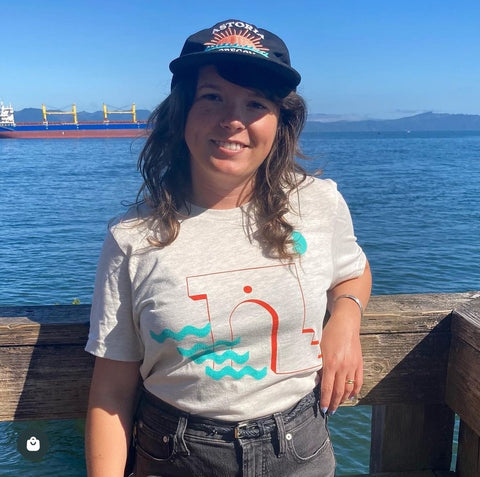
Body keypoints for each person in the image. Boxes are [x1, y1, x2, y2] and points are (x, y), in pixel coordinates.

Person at [85, 18, 372, 477]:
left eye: (255, 103)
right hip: (173, 453)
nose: (232, 120)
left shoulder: (320, 203)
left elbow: (353, 269)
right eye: (212, 97)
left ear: (280, 122)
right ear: (182, 112)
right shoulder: (132, 238)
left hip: (301, 447)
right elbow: (111, 394)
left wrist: (347, 319)